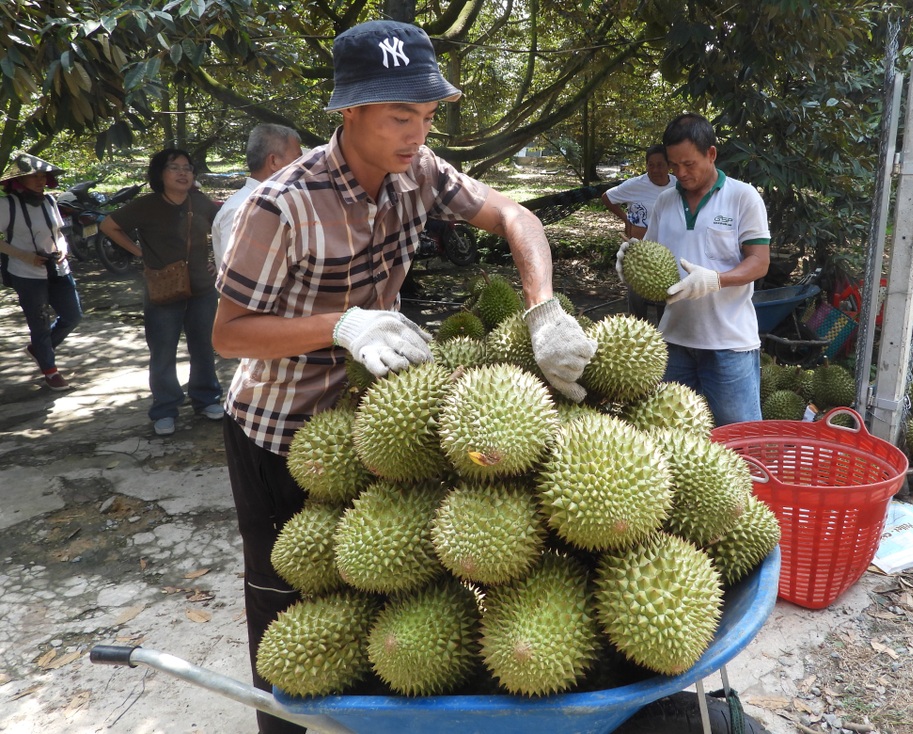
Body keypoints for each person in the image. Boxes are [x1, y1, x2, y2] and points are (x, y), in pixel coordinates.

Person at [211, 20, 596, 734]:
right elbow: (229, 333)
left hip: (372, 417)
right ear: (349, 110)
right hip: (277, 428)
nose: (415, 133)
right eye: (398, 116)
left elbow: (515, 215)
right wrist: (341, 324)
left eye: (424, 115)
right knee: (283, 589)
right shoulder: (281, 205)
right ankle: (284, 726)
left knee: (364, 592)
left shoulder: (418, 172)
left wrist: (543, 310)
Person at [618, 113, 770, 426]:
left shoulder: (743, 197)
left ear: (711, 154)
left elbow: (759, 261)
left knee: (739, 438)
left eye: (689, 164)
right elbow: (651, 256)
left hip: (729, 345)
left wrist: (716, 279)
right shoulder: (665, 201)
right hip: (673, 342)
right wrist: (629, 260)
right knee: (670, 439)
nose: (680, 173)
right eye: (674, 165)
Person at [99, 149, 224, 436]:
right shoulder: (147, 206)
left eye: (188, 168)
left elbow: (225, 225)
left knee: (204, 346)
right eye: (174, 167)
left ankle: (206, 399)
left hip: (202, 289)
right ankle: (165, 408)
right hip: (163, 288)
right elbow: (108, 225)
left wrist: (218, 260)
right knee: (163, 350)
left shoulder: (199, 202)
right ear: (160, 174)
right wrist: (140, 253)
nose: (183, 173)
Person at [0, 153, 83, 391]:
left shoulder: (49, 201)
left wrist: (64, 250)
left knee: (73, 316)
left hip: (58, 269)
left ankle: (39, 349)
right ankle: (50, 370)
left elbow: (59, 233)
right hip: (26, 273)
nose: (40, 181)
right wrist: (25, 256)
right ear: (18, 180)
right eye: (33, 176)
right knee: (39, 324)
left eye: (42, 176)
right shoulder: (7, 205)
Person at [210, 124, 303, 269]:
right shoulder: (242, 209)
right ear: (273, 161)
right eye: (297, 159)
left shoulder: (277, 202)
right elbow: (238, 279)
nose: (302, 167)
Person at [601, 144, 675, 323]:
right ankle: (637, 331)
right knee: (637, 297)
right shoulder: (635, 185)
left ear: (669, 165)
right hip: (638, 248)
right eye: (651, 165)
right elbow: (607, 197)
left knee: (665, 297)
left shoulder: (678, 185)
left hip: (667, 249)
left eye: (660, 164)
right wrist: (626, 219)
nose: (655, 169)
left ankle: (665, 337)